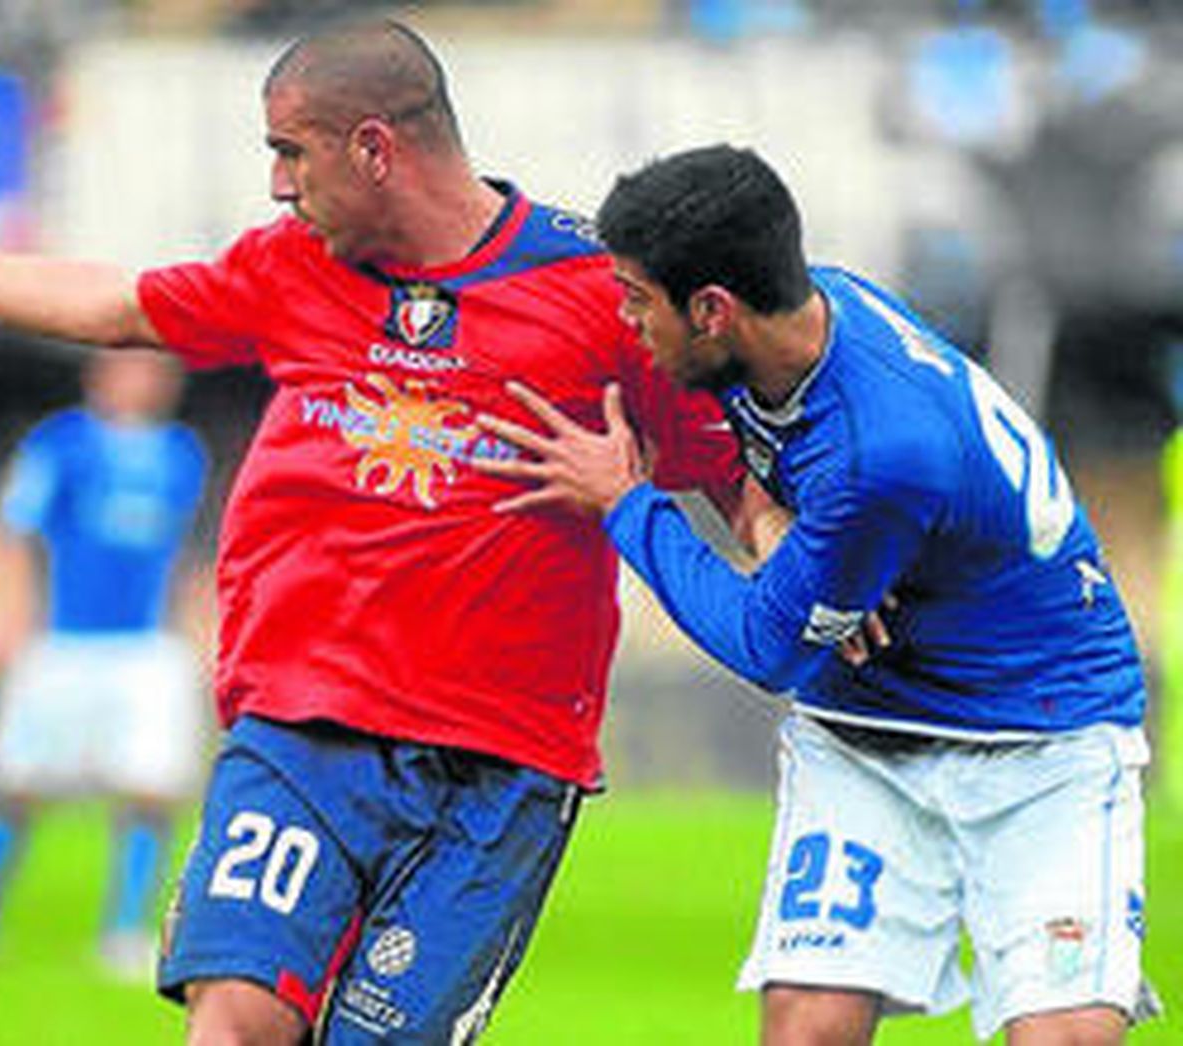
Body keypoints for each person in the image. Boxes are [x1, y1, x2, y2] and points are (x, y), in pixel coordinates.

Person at [0, 18, 749, 1043]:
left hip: (499, 767)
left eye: (291, 151)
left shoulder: (599, 294)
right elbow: (117, 306)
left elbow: (732, 471)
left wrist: (835, 595)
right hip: (300, 728)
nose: (279, 184)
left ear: (373, 148)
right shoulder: (291, 267)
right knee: (232, 1019)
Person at [475, 144, 1161, 1044]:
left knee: (1063, 1038)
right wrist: (779, 538)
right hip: (866, 733)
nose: (625, 319)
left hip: (1042, 735)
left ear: (713, 310)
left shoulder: (881, 452)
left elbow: (767, 647)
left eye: (639, 298)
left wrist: (627, 507)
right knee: (807, 1029)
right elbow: (768, 472)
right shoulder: (799, 324)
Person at [0, 348, 209, 989]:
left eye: (157, 369)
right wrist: (5, 615)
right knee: (14, 785)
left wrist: (197, 633)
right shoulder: (61, 442)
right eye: (133, 366)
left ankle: (125, 934)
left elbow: (184, 553)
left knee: (152, 789)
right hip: (64, 644)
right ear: (100, 375)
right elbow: (11, 532)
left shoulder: (183, 454)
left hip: (146, 651)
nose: (146, 380)